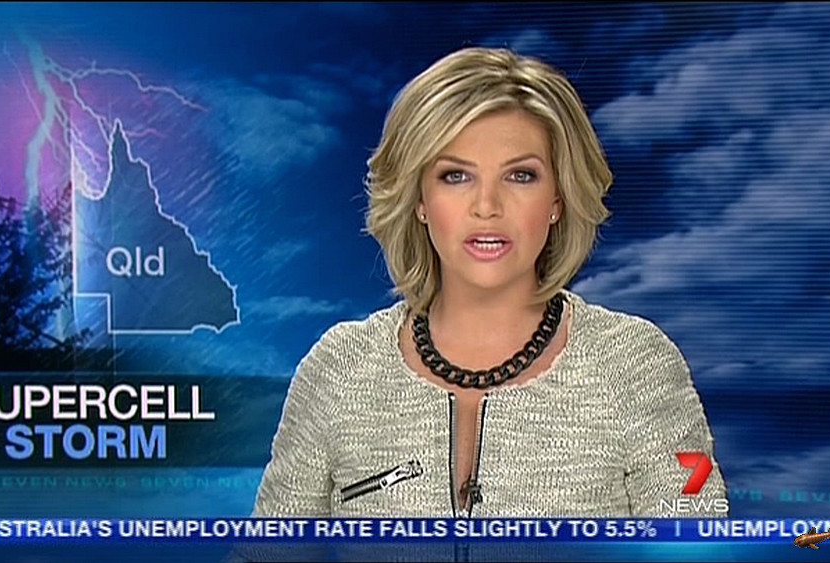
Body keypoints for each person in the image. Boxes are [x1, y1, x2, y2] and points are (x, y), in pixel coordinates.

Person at [252, 47, 727, 518]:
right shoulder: (339, 370)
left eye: (520, 175)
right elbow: (266, 553)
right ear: (419, 200)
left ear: (558, 199)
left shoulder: (634, 365)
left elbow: (699, 542)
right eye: (455, 176)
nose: (487, 206)